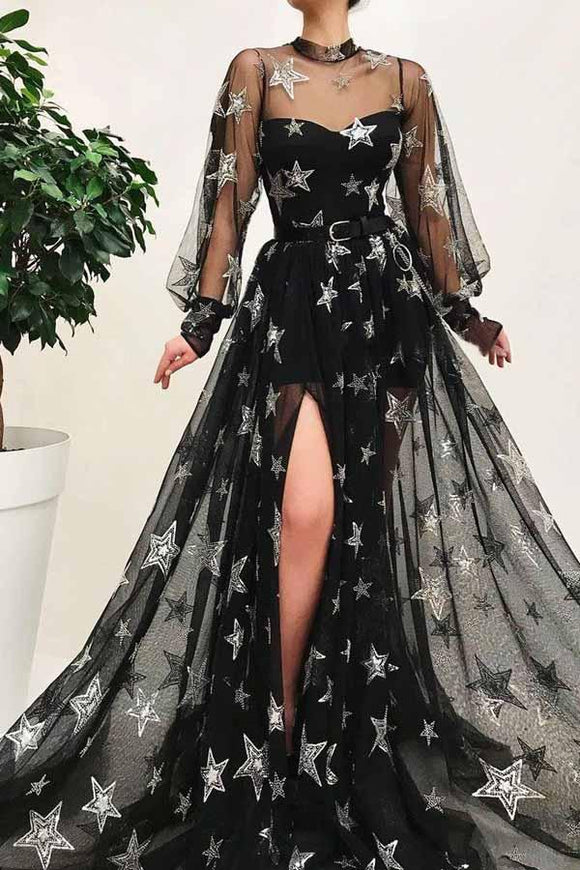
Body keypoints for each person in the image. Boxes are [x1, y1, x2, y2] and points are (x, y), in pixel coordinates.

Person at [1, 1, 578, 869]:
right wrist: (199, 323)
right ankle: (273, 736)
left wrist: (467, 315)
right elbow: (229, 202)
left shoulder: (406, 80)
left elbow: (427, 207)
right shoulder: (255, 70)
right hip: (294, 307)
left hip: (384, 315)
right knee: (306, 514)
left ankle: (341, 736)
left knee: (360, 531)